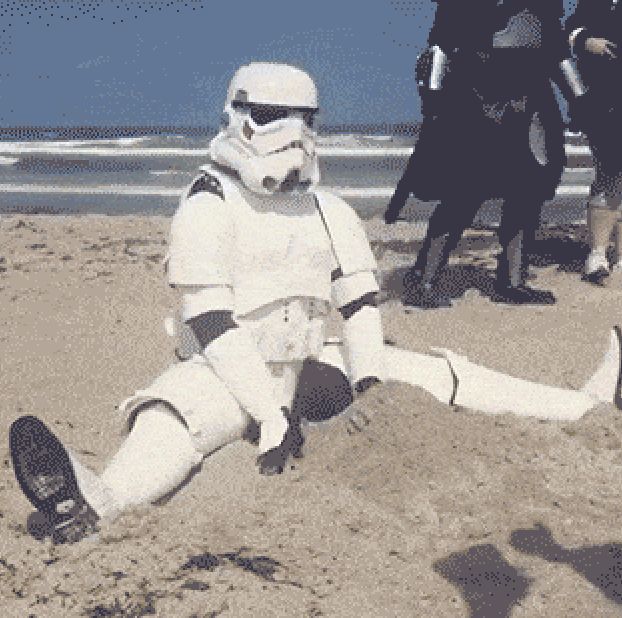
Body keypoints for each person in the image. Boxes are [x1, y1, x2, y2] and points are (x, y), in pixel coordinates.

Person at [9, 62, 622, 545]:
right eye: (276, 116)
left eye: (306, 119)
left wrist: (374, 382)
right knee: (175, 412)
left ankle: (582, 407)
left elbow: (357, 306)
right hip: (225, 369)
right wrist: (270, 416)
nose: (294, 135)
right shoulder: (207, 203)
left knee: (437, 372)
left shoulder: (329, 210)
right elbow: (212, 319)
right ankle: (102, 499)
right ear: (238, 117)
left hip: (311, 362)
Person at [384, 0, 574, 308]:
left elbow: (554, 50)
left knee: (528, 191)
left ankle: (513, 281)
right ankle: (424, 279)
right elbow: (440, 48)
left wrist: (580, 98)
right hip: (476, 98)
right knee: (463, 191)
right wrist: (433, 100)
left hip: (533, 102)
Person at [566, 1, 622, 285]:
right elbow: (570, 29)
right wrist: (588, 41)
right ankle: (598, 254)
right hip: (606, 100)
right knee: (610, 171)